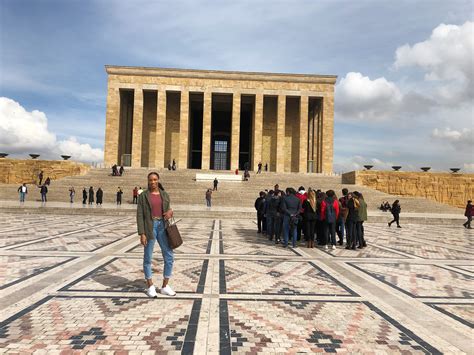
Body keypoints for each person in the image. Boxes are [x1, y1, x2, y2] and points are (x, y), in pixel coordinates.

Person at [137, 171, 175, 297]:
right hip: (150, 227)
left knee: (169, 255)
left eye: (155, 179)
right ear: (148, 181)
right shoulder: (143, 196)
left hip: (162, 226)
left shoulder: (164, 194)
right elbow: (140, 215)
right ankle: (150, 285)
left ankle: (165, 285)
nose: (153, 182)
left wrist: (170, 212)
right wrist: (142, 233)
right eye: (150, 180)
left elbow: (169, 209)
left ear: (158, 180)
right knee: (148, 256)